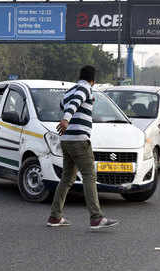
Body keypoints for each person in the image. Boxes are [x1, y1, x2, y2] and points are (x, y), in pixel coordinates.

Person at [47, 66, 119, 229]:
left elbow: (63, 104)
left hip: (66, 140)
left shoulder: (69, 90)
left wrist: (67, 118)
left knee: (67, 178)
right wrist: (66, 119)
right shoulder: (85, 88)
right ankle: (96, 217)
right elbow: (75, 102)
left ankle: (55, 216)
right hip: (79, 139)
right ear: (93, 80)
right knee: (89, 176)